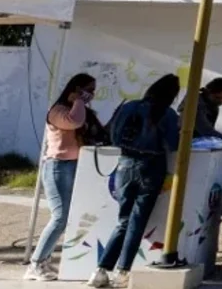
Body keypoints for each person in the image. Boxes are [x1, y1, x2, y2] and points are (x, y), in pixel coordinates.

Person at [88, 74, 181, 289]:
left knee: (123, 220)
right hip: (151, 166)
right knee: (137, 222)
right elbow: (172, 145)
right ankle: (123, 272)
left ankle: (100, 271)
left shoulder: (129, 106)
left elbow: (113, 135)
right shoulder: (166, 114)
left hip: (125, 163)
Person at [27, 73, 99, 281]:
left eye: (93, 91)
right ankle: (36, 263)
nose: (90, 95)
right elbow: (73, 122)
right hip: (57, 166)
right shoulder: (57, 111)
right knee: (60, 217)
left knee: (67, 216)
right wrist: (78, 100)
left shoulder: (82, 110)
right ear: (76, 89)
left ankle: (43, 260)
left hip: (76, 165)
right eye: (88, 90)